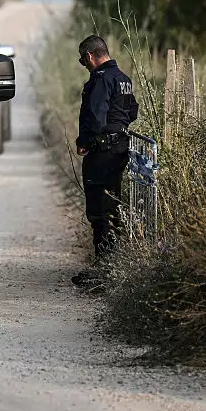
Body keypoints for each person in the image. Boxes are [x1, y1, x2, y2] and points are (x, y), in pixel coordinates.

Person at [71, 34, 139, 287]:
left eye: (83, 60)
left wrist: (85, 141)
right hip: (120, 150)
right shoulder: (123, 79)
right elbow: (132, 112)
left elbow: (96, 118)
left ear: (90, 56)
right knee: (113, 208)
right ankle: (113, 267)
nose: (84, 65)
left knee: (99, 212)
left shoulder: (100, 80)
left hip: (101, 153)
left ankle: (104, 271)